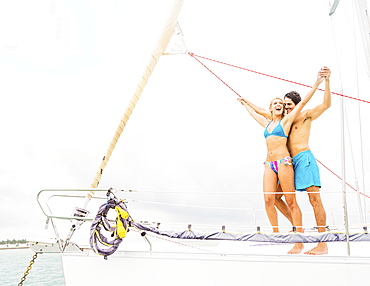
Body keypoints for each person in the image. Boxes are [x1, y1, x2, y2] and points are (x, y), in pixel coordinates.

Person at [244, 67, 331, 255]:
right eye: (284, 104)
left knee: (314, 199)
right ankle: (297, 228)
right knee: (274, 198)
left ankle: (322, 242)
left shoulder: (302, 115)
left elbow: (324, 105)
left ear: (295, 105)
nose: (286, 107)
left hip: (303, 158)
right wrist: (245, 102)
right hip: (287, 162)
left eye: (289, 104)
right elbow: (261, 111)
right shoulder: (281, 120)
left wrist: (324, 82)